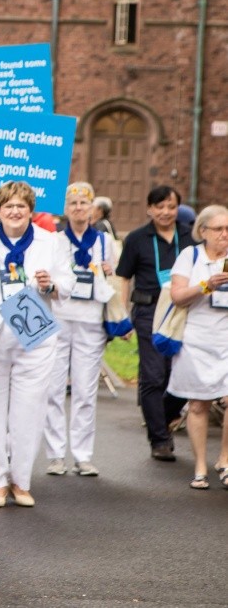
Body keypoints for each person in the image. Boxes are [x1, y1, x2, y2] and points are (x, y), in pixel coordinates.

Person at [0, 181, 73, 508]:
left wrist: (50, 284)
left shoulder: (50, 241)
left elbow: (66, 284)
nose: (14, 211)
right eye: (8, 205)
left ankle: (21, 481)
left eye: (21, 206)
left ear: (31, 211)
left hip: (34, 336)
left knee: (29, 411)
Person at [44, 183, 118, 478]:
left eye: (83, 203)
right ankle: (55, 454)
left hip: (90, 320)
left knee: (86, 390)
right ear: (65, 208)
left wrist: (106, 270)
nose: (78, 208)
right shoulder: (55, 240)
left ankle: (83, 455)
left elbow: (110, 275)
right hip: (60, 317)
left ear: (91, 209)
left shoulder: (103, 240)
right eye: (72, 203)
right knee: (54, 388)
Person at [115, 185, 193, 461]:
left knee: (182, 374)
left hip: (184, 311)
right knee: (153, 375)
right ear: (149, 209)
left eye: (171, 207)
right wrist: (123, 313)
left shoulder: (190, 236)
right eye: (159, 207)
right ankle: (159, 439)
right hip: (149, 311)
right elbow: (124, 276)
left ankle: (163, 416)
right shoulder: (137, 238)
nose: (165, 212)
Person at [164, 205, 228, 489]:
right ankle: (200, 466)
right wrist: (206, 285)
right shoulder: (189, 256)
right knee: (199, 403)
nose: (225, 235)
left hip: (226, 339)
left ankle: (225, 460)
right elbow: (177, 296)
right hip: (195, 339)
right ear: (203, 231)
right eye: (218, 229)